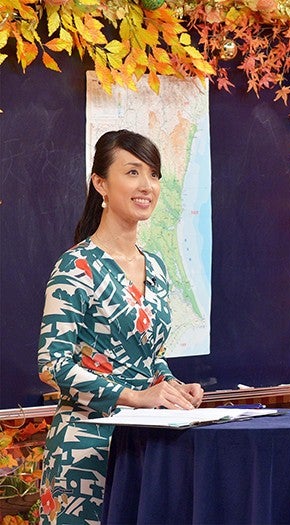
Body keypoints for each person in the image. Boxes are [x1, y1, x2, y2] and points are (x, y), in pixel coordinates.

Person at [37, 130, 204, 524]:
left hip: (144, 447)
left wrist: (172, 386)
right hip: (85, 450)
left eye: (154, 174)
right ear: (101, 184)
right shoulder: (76, 266)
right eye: (132, 172)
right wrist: (136, 397)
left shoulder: (157, 266)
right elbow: (52, 365)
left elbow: (150, 356)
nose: (147, 185)